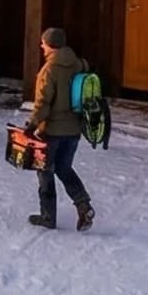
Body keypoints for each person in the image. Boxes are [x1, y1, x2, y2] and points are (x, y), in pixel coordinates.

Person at [24, 27, 95, 232]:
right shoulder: (79, 64)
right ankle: (83, 205)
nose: (41, 46)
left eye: (43, 43)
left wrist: (31, 126)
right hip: (73, 131)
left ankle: (48, 216)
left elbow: (43, 104)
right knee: (64, 168)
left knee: (45, 170)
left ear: (50, 45)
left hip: (53, 131)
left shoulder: (48, 71)